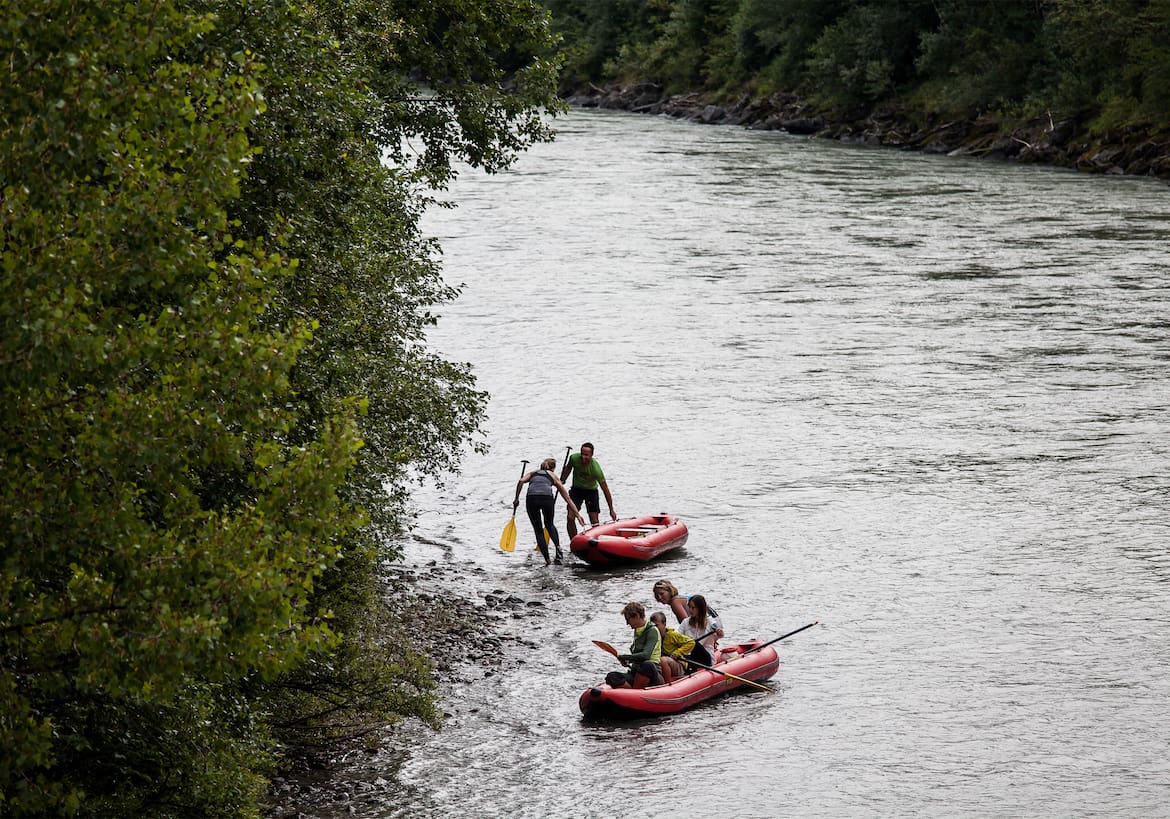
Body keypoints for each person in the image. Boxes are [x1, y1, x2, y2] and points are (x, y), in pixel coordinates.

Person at [514, 458, 584, 565]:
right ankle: (558, 548)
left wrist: (516, 498)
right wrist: (577, 514)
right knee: (549, 524)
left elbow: (521, 481)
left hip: (531, 499)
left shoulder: (533, 473)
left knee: (538, 530)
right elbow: (567, 498)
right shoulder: (552, 475)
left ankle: (547, 560)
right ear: (553, 468)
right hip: (547, 499)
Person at [560, 442, 616, 539]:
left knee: (594, 521)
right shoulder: (573, 458)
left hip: (591, 491)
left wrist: (611, 509)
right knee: (570, 517)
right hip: (576, 490)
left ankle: (595, 542)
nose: (583, 457)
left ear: (591, 455)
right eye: (582, 454)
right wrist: (563, 479)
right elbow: (568, 468)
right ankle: (573, 541)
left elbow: (605, 490)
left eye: (586, 455)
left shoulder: (596, 469)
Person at [604, 602, 662, 689]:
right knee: (611, 676)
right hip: (636, 672)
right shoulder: (637, 631)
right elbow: (636, 657)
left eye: (628, 619)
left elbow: (646, 655)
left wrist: (625, 657)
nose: (627, 623)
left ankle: (635, 693)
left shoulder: (652, 631)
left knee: (647, 664)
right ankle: (633, 693)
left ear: (637, 616)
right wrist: (628, 661)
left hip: (652, 672)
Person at [649, 611, 696, 684]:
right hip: (662, 665)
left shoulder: (672, 635)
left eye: (657, 625)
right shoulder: (653, 637)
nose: (655, 628)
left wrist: (677, 652)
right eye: (652, 626)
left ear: (664, 624)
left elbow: (691, 642)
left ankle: (667, 684)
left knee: (663, 660)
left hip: (678, 665)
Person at [678, 594, 722, 667]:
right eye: (689, 607)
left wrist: (718, 631)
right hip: (691, 657)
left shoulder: (710, 621)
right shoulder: (685, 622)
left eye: (693, 608)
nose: (690, 610)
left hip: (706, 658)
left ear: (700, 608)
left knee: (694, 644)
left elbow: (720, 634)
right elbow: (678, 637)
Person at [652, 579, 721, 626]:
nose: (659, 597)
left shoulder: (675, 602)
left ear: (669, 591)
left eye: (662, 594)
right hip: (714, 620)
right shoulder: (680, 598)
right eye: (656, 595)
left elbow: (686, 624)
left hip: (711, 623)